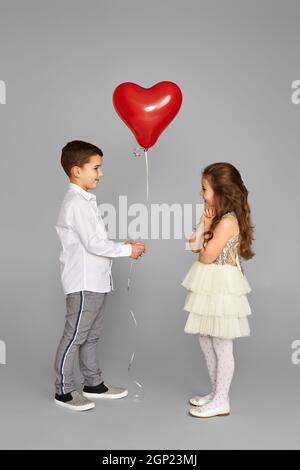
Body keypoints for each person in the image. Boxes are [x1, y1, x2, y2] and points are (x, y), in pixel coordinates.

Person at [54, 140, 146, 411]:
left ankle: (93, 383)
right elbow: (94, 245)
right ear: (76, 170)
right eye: (96, 167)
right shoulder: (76, 204)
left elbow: (94, 241)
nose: (101, 173)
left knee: (91, 336)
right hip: (83, 283)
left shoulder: (84, 201)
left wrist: (122, 246)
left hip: (95, 281)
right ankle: (63, 391)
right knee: (75, 336)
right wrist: (128, 249)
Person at [182, 162, 254, 418]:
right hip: (210, 284)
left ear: (221, 191)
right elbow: (192, 245)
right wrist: (205, 220)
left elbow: (205, 256)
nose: (201, 194)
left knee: (222, 345)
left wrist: (209, 223)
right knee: (206, 338)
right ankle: (215, 393)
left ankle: (222, 400)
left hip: (222, 286)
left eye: (204, 189)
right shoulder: (216, 218)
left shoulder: (227, 222)